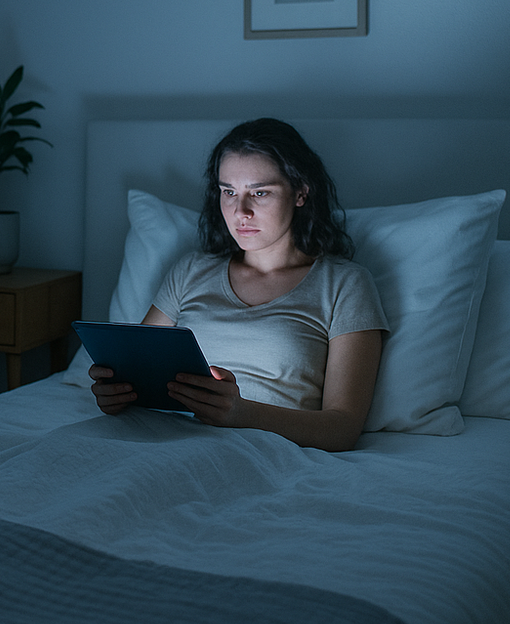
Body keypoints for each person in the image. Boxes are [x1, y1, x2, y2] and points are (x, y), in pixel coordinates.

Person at [89, 118, 387, 452]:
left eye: (259, 193)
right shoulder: (191, 270)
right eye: (228, 192)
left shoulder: (344, 284)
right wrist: (116, 394)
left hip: (259, 452)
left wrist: (241, 413)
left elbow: (342, 428)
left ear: (301, 192)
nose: (240, 211)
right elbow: (137, 374)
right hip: (161, 441)